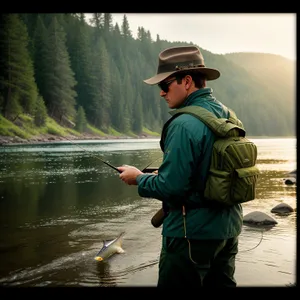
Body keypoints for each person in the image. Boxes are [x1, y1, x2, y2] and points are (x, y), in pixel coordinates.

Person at [117, 45, 243, 288]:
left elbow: (172, 187)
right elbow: (206, 171)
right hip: (228, 231)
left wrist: (138, 178)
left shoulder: (184, 123)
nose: (161, 93)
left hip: (189, 236)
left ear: (186, 81)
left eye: (165, 85)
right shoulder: (228, 115)